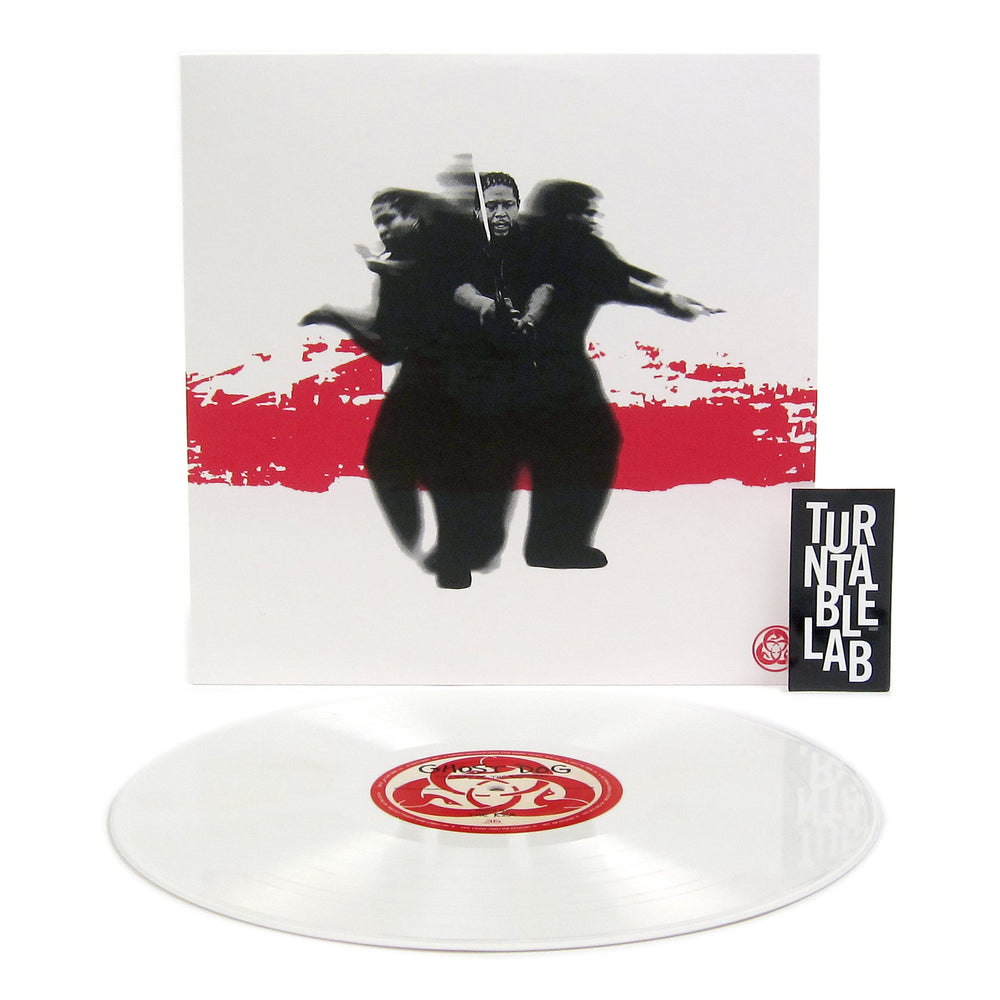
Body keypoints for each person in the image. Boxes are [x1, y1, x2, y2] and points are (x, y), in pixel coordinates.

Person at [511, 179, 722, 568]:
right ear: (566, 213)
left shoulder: (529, 241)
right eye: (586, 211)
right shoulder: (576, 246)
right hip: (557, 364)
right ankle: (557, 546)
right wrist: (668, 301)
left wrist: (665, 298)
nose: (593, 219)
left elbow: (616, 281)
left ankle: (548, 545)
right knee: (593, 443)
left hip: (523, 363)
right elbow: (619, 282)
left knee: (556, 451)